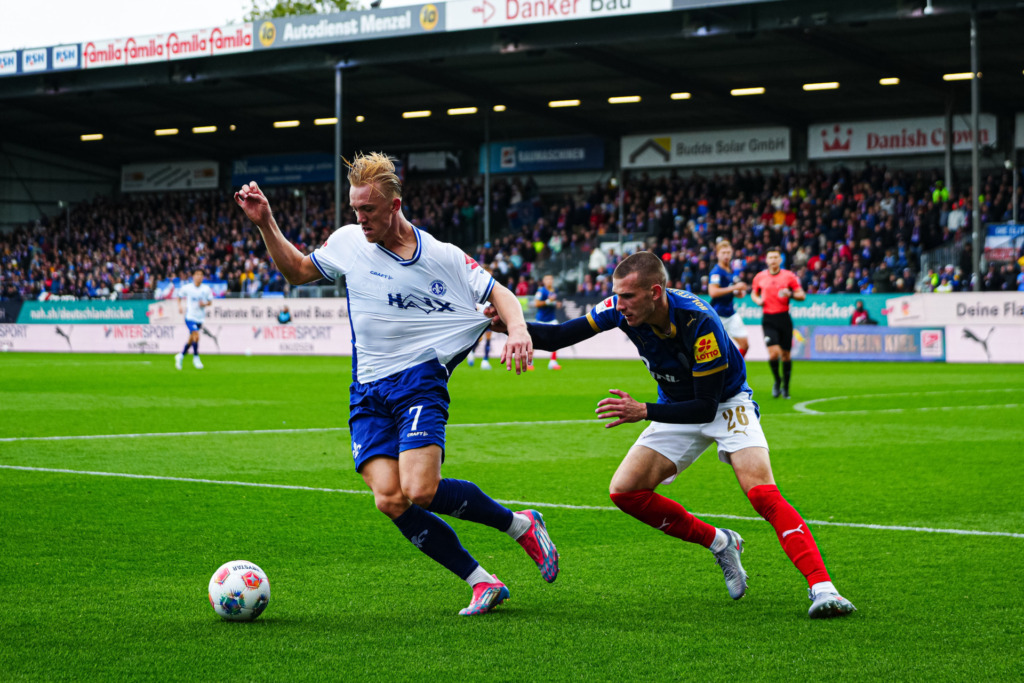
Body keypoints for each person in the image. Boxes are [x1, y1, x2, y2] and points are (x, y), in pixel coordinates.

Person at [234, 152, 558, 616]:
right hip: (367, 389)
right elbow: (298, 271)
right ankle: (482, 582)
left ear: (395, 205)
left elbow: (499, 293)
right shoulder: (348, 241)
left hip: (419, 381)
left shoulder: (442, 256)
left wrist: (520, 330)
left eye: (368, 209)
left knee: (421, 489)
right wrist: (265, 222)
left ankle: (520, 525)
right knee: (389, 498)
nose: (360, 219)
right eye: (355, 209)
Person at [493, 252, 854, 619]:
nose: (619, 304)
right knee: (625, 492)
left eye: (628, 296)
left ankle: (824, 588)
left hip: (726, 403)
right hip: (675, 405)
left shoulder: (700, 323)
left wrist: (643, 411)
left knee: (762, 493)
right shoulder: (618, 310)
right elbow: (558, 336)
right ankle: (720, 542)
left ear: (655, 292)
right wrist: (505, 325)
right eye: (616, 295)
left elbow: (705, 408)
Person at [751, 247, 805, 399]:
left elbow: (802, 295)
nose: (773, 260)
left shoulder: (789, 276)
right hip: (768, 319)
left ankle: (786, 387)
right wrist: (757, 300)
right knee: (774, 353)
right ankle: (777, 380)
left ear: (780, 260)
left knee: (786, 356)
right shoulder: (760, 277)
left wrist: (791, 294)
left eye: (776, 257)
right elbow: (754, 293)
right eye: (770, 257)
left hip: (784, 318)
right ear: (766, 260)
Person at [708, 240, 749, 356]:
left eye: (728, 253)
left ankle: (734, 366)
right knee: (717, 350)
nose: (726, 255)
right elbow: (713, 292)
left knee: (745, 345)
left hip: (730, 313)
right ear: (717, 254)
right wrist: (734, 287)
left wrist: (737, 292)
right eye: (723, 253)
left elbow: (729, 290)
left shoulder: (730, 270)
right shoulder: (716, 272)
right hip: (718, 315)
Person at [175, 269, 213, 370]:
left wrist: (204, 304)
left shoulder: (206, 289)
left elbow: (210, 302)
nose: (199, 276)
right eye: (197, 274)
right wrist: (179, 306)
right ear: (193, 276)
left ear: (203, 277)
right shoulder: (187, 288)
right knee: (196, 335)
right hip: (190, 317)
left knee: (191, 339)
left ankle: (181, 355)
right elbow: (179, 296)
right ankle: (196, 358)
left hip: (200, 318)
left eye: (201, 275)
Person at [533, 273, 563, 370]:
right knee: (534, 340)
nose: (549, 281)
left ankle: (553, 362)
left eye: (551, 279)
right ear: (544, 281)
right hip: (541, 319)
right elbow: (536, 304)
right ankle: (529, 361)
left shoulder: (555, 291)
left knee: (557, 339)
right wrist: (548, 301)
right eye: (547, 279)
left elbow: (554, 302)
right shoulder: (541, 291)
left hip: (552, 319)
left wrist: (557, 304)